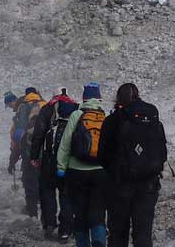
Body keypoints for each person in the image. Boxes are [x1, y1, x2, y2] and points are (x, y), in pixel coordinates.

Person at [98, 83, 167, 247]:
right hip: (148, 186)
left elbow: (102, 156)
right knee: (143, 234)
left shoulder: (112, 121)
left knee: (117, 235)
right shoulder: (151, 116)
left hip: (119, 186)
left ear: (119, 98)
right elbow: (162, 152)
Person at [57, 82, 108, 247]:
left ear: (84, 98)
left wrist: (60, 168)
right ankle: (99, 240)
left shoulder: (76, 115)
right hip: (100, 172)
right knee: (98, 210)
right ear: (99, 97)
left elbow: (64, 145)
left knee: (79, 212)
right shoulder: (105, 116)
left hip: (76, 171)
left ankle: (83, 244)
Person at [30, 88, 79, 241]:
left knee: (47, 190)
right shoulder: (75, 108)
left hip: (49, 157)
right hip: (68, 159)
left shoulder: (47, 108)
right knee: (66, 193)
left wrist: (34, 156)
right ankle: (65, 229)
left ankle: (50, 224)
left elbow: (38, 133)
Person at [7, 87, 46, 218]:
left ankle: (32, 213)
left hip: (29, 154)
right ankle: (48, 217)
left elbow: (18, 136)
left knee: (29, 181)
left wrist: (12, 160)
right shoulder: (46, 105)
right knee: (45, 183)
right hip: (46, 153)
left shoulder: (23, 109)